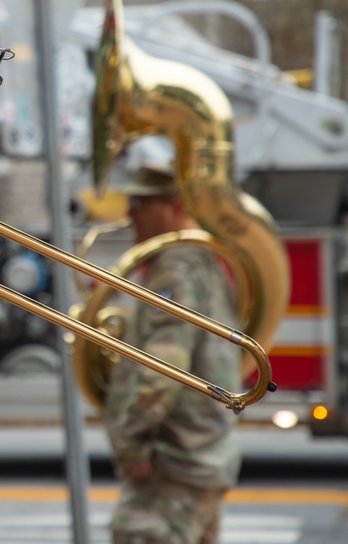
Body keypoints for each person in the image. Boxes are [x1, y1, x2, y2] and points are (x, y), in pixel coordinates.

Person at [103, 165, 242, 544]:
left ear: (176, 207)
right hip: (202, 454)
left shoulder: (175, 266)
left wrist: (134, 441)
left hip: (174, 460)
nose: (130, 212)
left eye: (142, 203)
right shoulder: (203, 259)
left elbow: (165, 368)